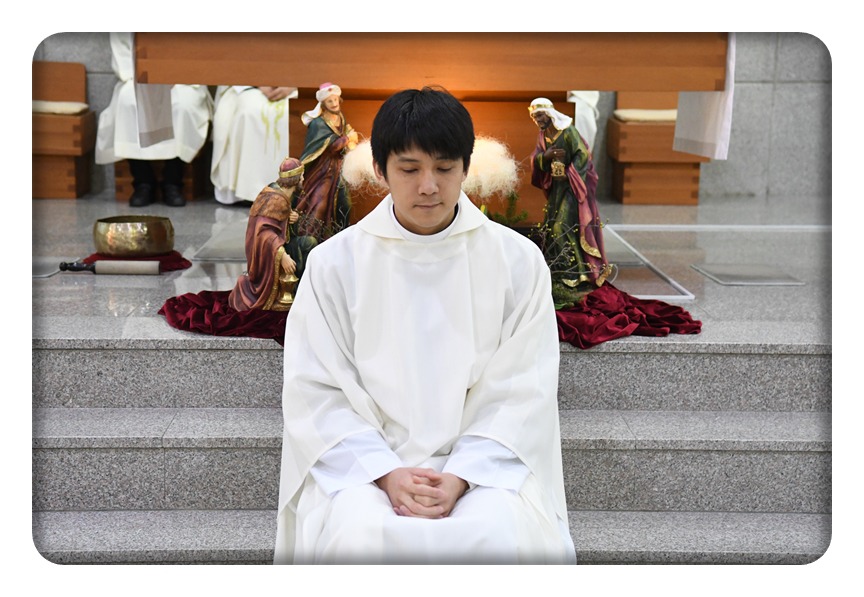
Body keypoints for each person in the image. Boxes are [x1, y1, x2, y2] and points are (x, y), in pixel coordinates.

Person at [273, 87, 575, 565]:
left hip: (483, 467)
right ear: (379, 169)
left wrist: (461, 475)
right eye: (410, 169)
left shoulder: (516, 261)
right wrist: (385, 472)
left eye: (444, 168)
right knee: (358, 534)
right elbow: (317, 388)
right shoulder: (335, 264)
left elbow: (523, 388)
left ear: (466, 167)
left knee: (495, 531)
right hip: (367, 466)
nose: (429, 186)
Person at [95, 32, 213, 207]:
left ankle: (173, 182)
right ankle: (143, 182)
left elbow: (197, 46)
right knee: (129, 102)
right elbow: (122, 50)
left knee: (184, 106)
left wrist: (176, 75)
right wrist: (146, 77)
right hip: (138, 78)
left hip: (183, 79)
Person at [529, 97, 612, 300]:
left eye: (540, 115)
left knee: (561, 227)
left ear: (549, 113)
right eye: (535, 117)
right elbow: (536, 157)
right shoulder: (543, 135)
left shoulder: (568, 131)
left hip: (573, 188)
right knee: (552, 226)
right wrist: (546, 157)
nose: (538, 120)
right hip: (557, 189)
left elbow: (582, 155)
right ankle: (563, 273)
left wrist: (569, 175)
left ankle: (575, 274)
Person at [228, 157, 317, 312]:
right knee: (305, 246)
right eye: (302, 176)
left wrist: (289, 219)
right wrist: (283, 256)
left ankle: (300, 290)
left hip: (274, 246)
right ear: (295, 179)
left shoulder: (281, 194)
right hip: (266, 255)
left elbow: (276, 224)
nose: (303, 179)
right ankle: (287, 292)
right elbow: (264, 233)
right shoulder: (276, 199)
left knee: (309, 243)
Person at [210, 85, 298, 206]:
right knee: (249, 111)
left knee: (290, 112)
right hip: (250, 86)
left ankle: (292, 191)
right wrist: (259, 83)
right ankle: (248, 191)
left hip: (297, 88)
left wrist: (293, 86)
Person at [293, 82, 358, 239]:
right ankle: (310, 239)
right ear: (323, 103)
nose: (334, 104)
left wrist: (349, 136)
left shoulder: (340, 117)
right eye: (330, 101)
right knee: (319, 204)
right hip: (322, 171)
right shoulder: (318, 123)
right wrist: (347, 138)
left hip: (338, 169)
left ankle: (341, 237)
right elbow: (332, 146)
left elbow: (341, 137)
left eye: (335, 100)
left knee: (344, 204)